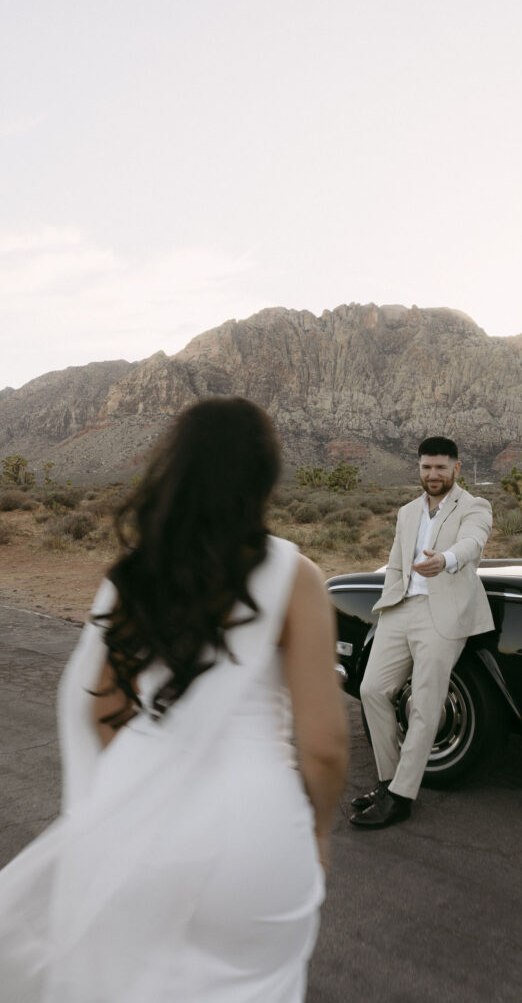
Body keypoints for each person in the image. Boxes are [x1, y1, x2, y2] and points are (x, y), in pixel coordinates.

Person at [0, 397, 348, 1002]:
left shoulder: (132, 576)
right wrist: (316, 832)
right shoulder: (297, 576)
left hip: (140, 834)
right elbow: (324, 746)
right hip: (256, 835)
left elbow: (102, 709)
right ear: (264, 477)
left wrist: (146, 787)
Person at [350, 436, 493, 830]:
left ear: (456, 469)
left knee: (426, 705)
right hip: (401, 611)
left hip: (442, 615)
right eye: (426, 467)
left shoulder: (475, 506)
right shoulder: (408, 511)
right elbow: (396, 564)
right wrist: (389, 603)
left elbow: (473, 544)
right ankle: (387, 782)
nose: (433, 475)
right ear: (419, 468)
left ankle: (401, 797)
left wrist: (445, 560)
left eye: (441, 468)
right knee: (372, 690)